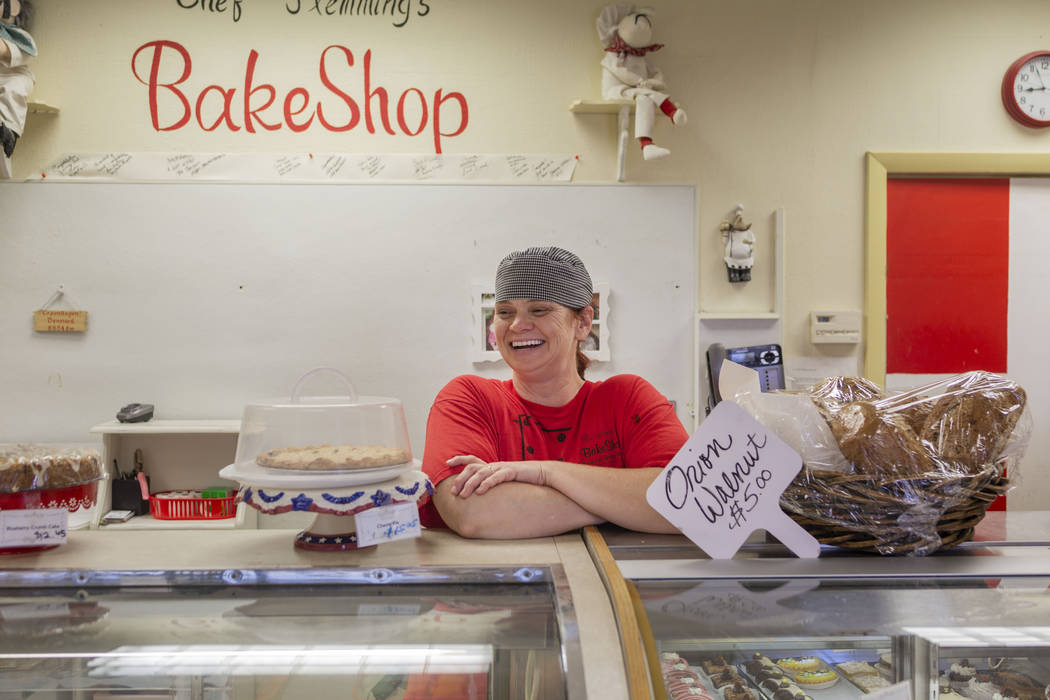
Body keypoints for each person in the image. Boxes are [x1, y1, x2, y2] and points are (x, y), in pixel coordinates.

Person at [419, 246, 689, 538]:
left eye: (539, 310)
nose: (518, 325)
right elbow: (474, 514)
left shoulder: (628, 398)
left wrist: (546, 473)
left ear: (583, 322)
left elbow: (692, 502)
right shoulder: (468, 399)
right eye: (505, 312)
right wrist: (622, 507)